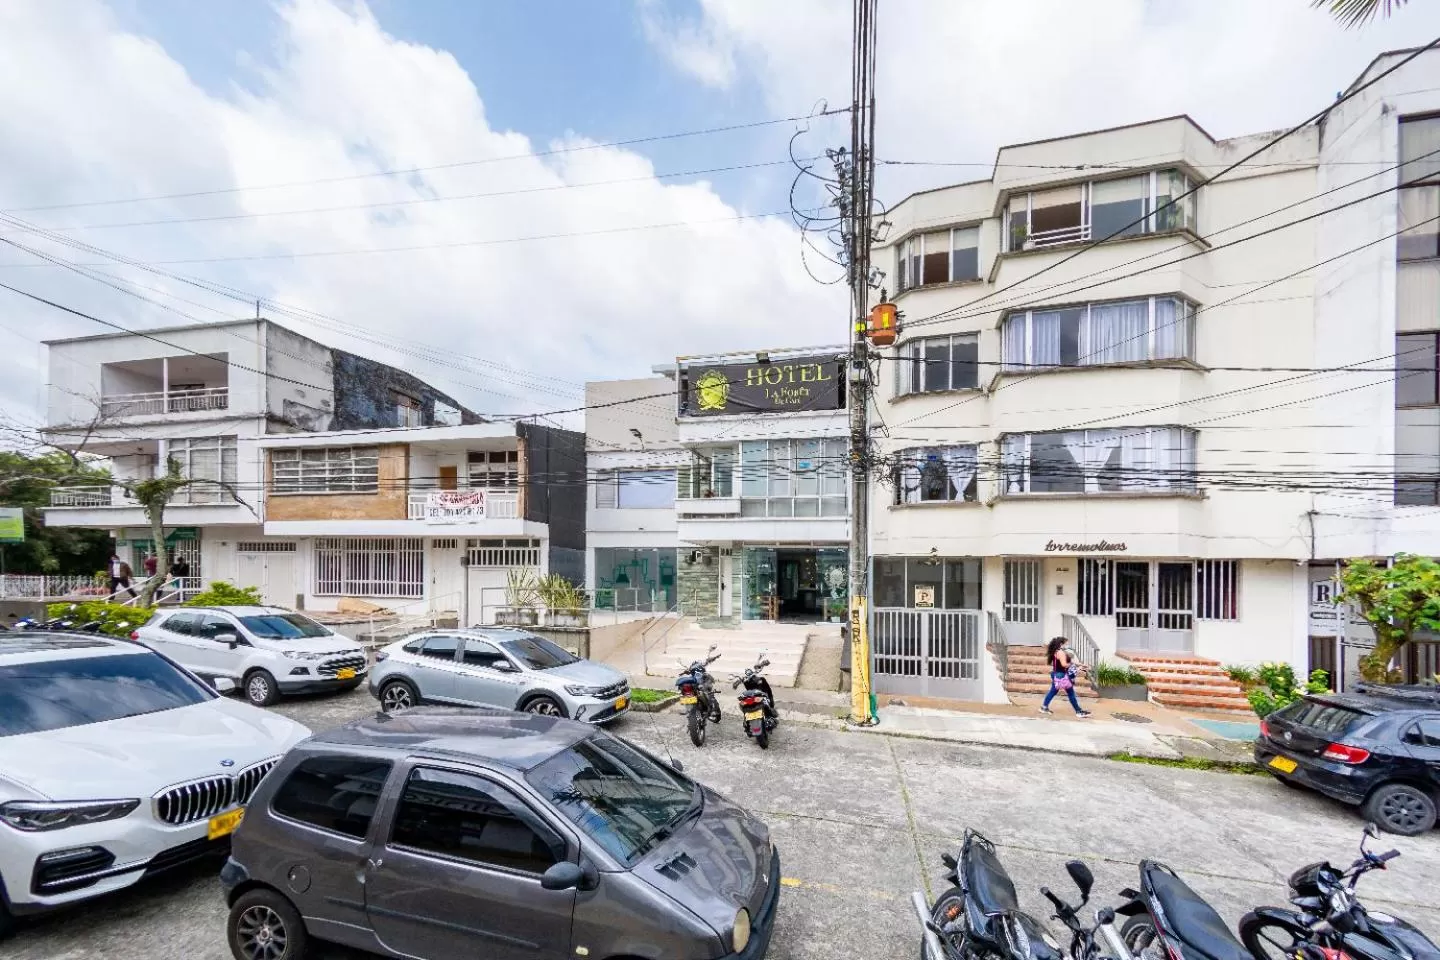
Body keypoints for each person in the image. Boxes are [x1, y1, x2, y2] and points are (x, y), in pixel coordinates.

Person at [1040, 636, 1091, 718]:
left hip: (1056, 674)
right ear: (1061, 644)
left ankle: (1044, 707)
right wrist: (1075, 667)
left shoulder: (1057, 652)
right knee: (1071, 693)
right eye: (1066, 643)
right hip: (1062, 675)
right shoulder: (1061, 652)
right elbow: (1064, 664)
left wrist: (1081, 664)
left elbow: (1069, 661)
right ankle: (1078, 711)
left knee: (1053, 691)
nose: (1067, 644)